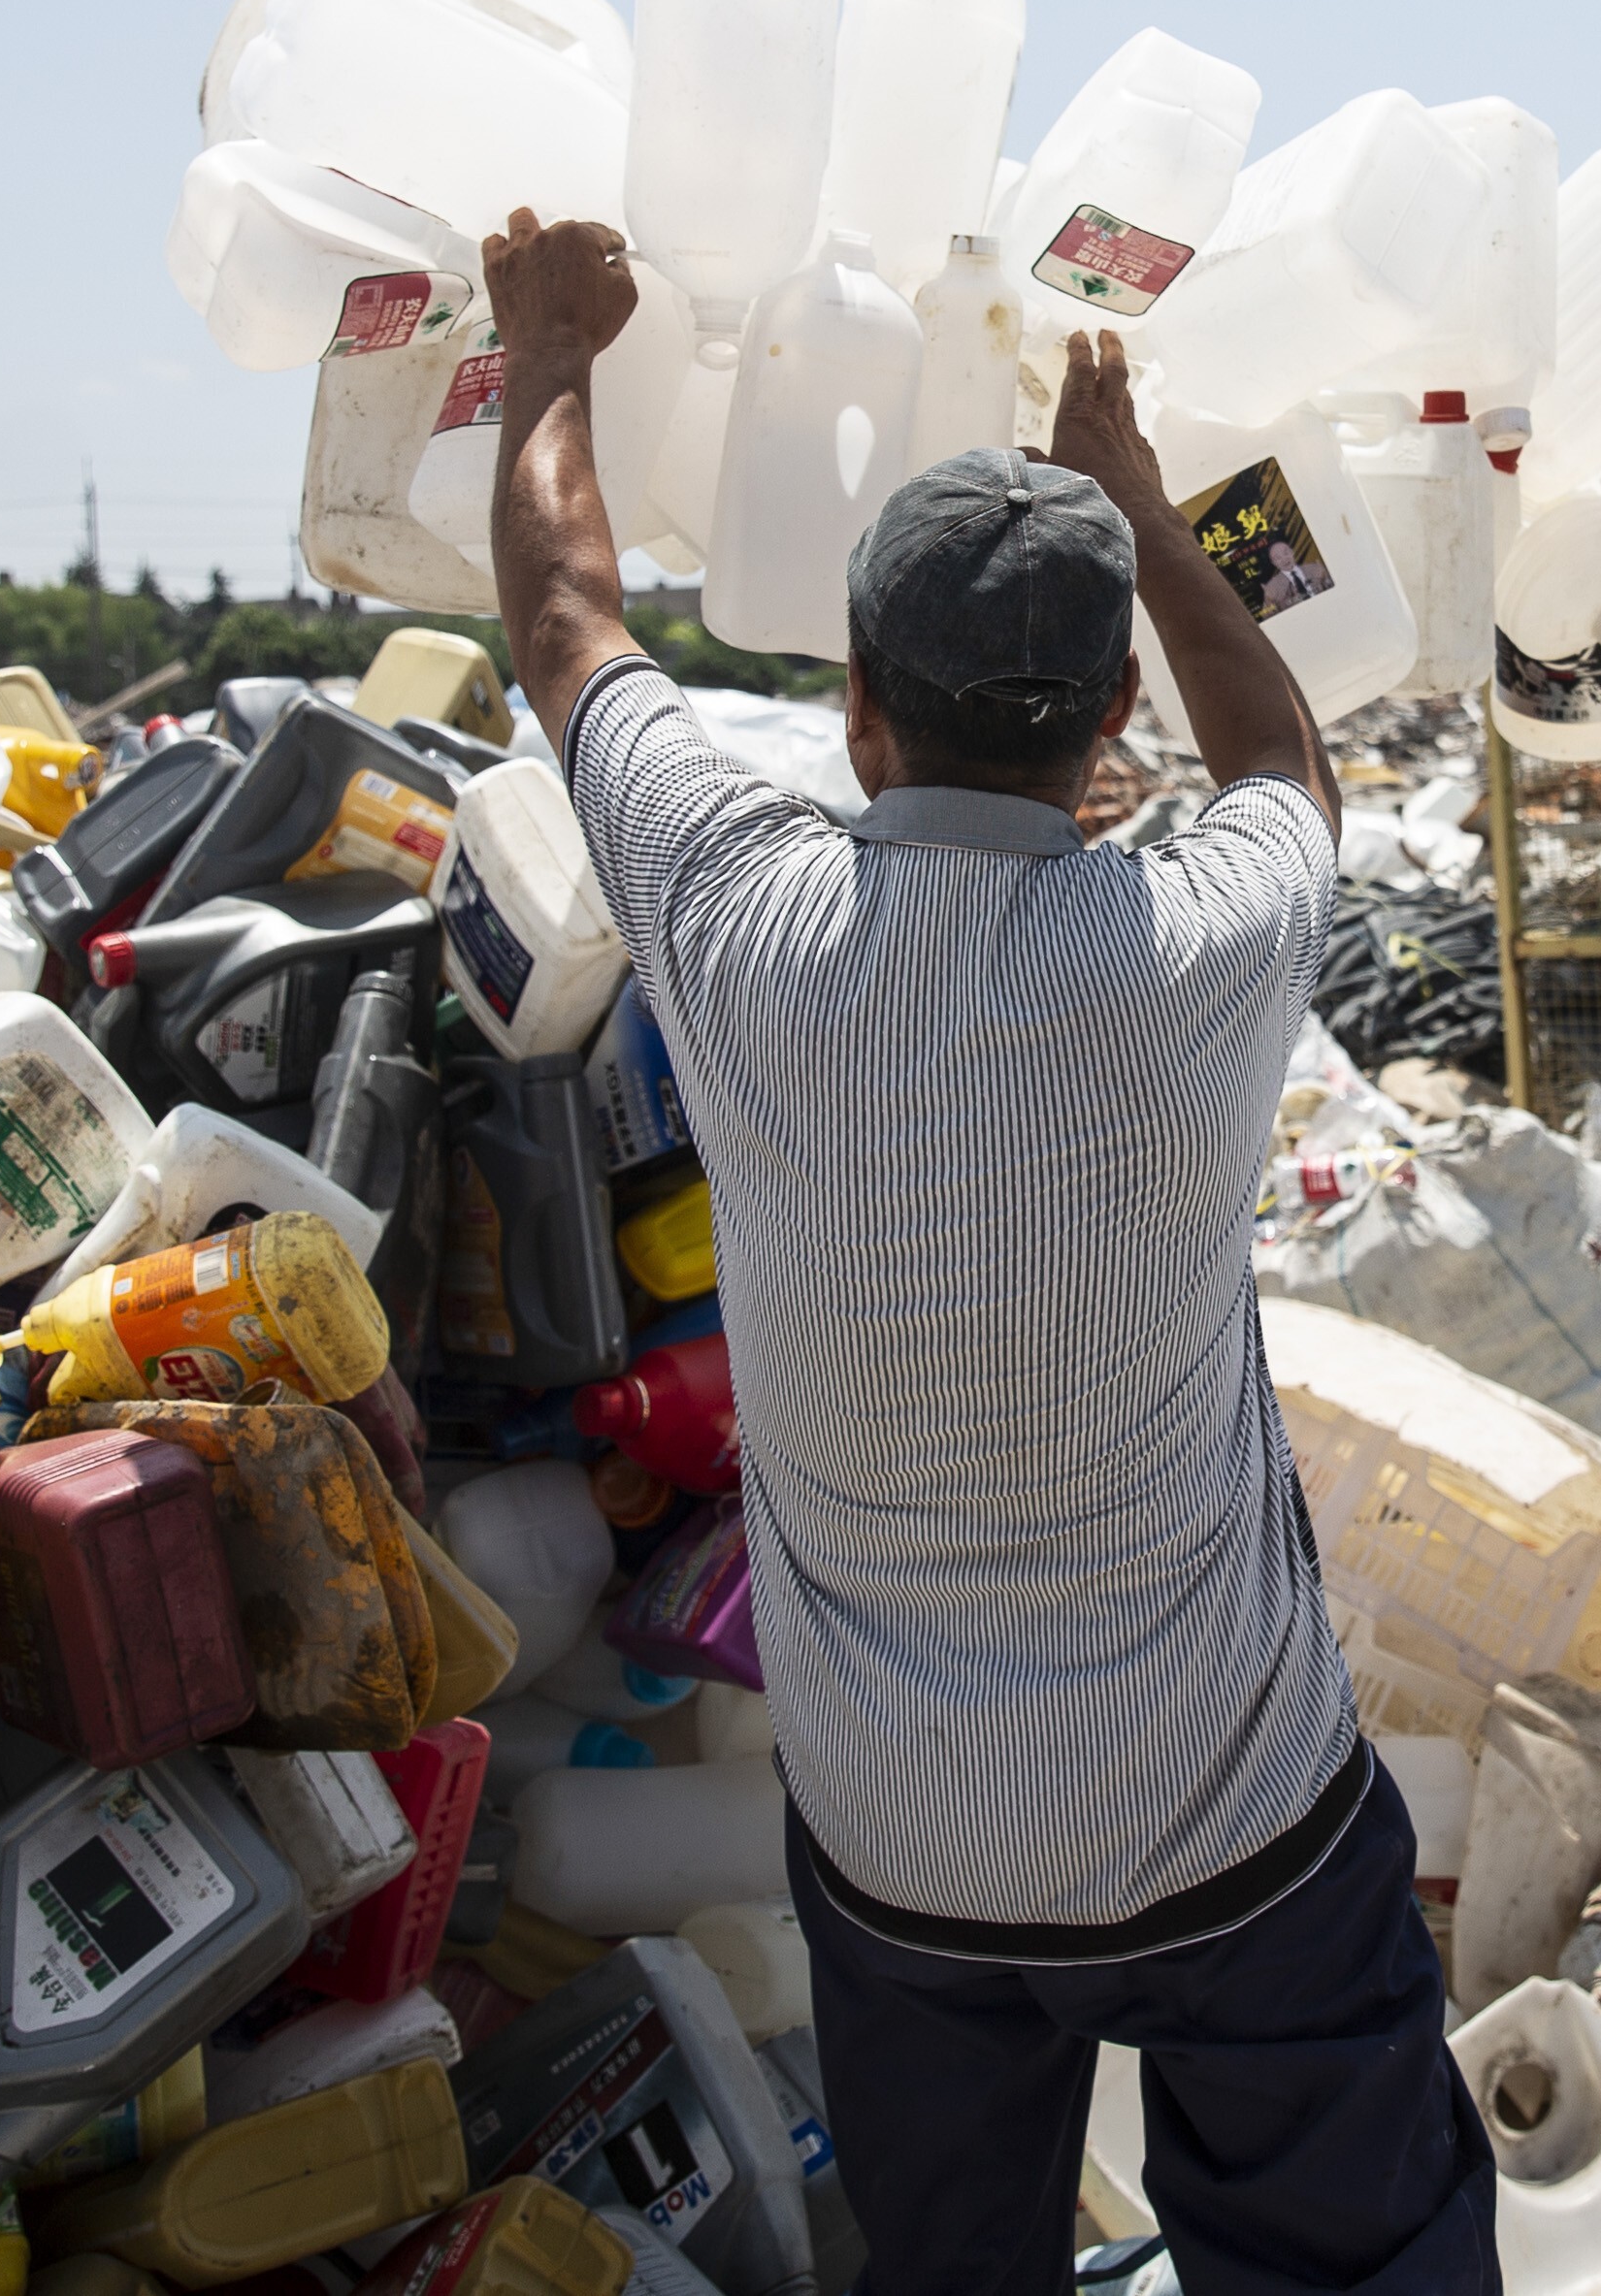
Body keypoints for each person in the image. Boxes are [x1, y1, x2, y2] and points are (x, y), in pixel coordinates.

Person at [481, 209, 1498, 2296]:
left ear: (857, 703)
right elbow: (1284, 760)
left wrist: (551, 348)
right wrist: (1142, 496)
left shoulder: (743, 918)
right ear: (1110, 712)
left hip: (909, 1860)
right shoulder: (1203, 941)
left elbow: (566, 613)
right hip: (1233, 1826)